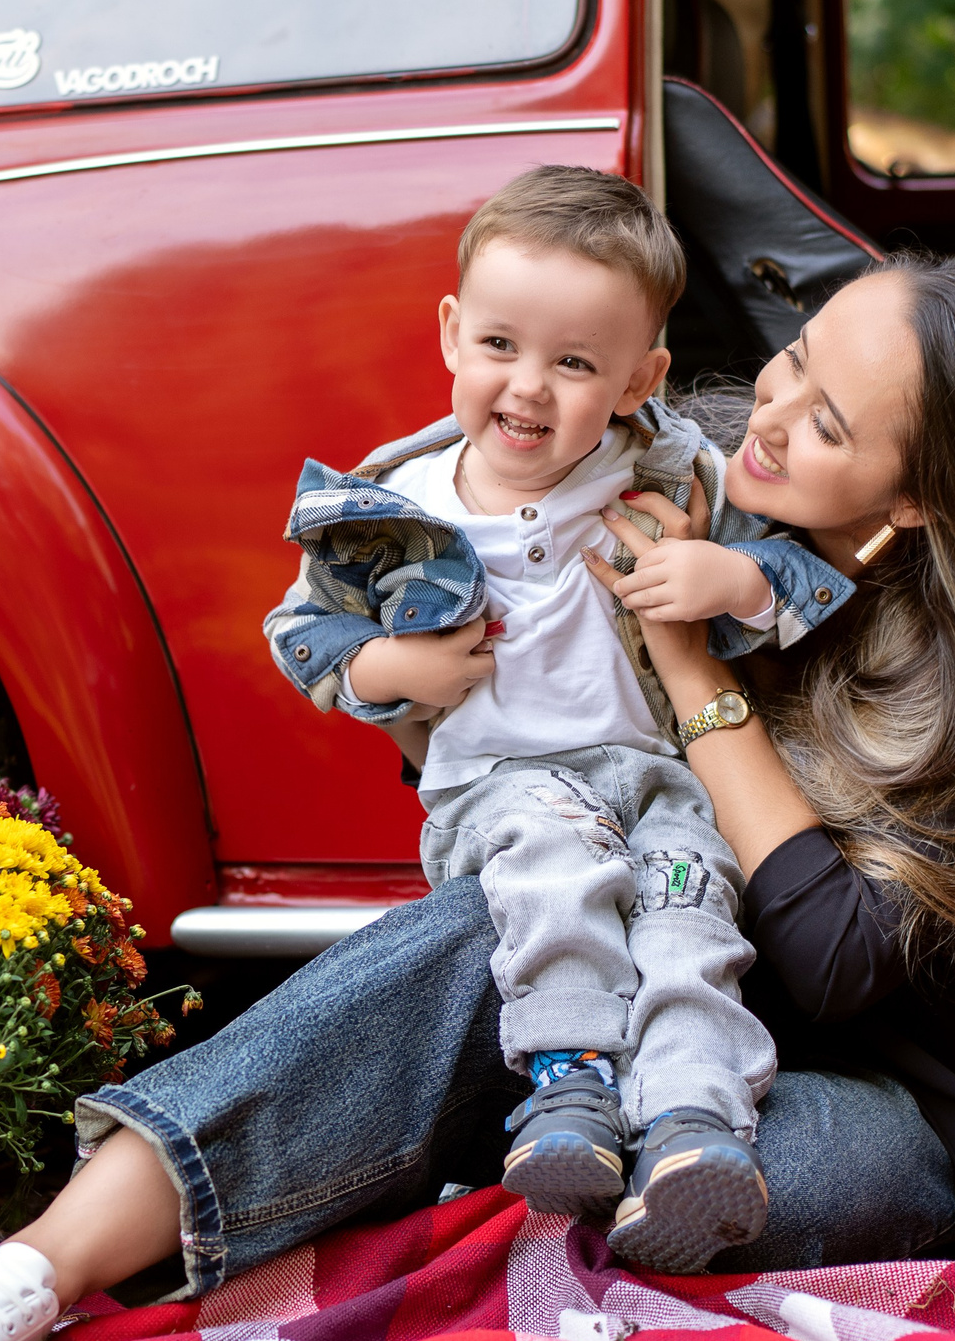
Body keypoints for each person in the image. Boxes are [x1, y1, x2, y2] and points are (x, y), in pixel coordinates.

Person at [0, 251, 955, 1341]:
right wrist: (412, 661)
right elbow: (489, 733)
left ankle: (445, 1174)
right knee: (483, 935)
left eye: (827, 422)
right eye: (796, 357)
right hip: (597, 995)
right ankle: (25, 1271)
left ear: (920, 492)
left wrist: (696, 669)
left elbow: (834, 965)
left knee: (666, 1169)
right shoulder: (659, 486)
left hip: (845, 1102)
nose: (770, 407)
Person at [266, 166, 860, 1272]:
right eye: (499, 346)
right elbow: (304, 638)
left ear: (641, 376)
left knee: (690, 916)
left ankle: (694, 1126)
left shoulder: (672, 475)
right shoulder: (393, 507)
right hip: (502, 783)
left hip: (660, 779)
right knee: (552, 877)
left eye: (574, 363)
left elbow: (796, 580)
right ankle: (569, 1087)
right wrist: (395, 665)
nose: (527, 388)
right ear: (451, 333)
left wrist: (723, 579)